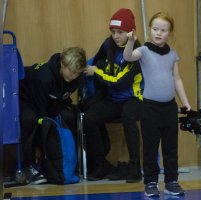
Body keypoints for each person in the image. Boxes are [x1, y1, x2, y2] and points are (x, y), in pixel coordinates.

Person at [124, 12, 191, 196]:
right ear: (149, 30)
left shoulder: (172, 55)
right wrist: (130, 41)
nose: (158, 33)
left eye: (163, 30)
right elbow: (128, 57)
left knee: (170, 146)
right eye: (155, 29)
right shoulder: (143, 51)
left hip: (169, 108)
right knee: (151, 146)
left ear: (170, 33)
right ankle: (151, 182)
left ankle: (171, 182)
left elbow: (177, 80)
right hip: (150, 108)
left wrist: (186, 104)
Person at [83, 8, 144, 183]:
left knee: (128, 116)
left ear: (131, 32)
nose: (115, 36)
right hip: (114, 98)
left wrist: (97, 73)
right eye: (113, 32)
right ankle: (101, 164)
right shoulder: (108, 44)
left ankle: (134, 168)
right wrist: (95, 70)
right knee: (89, 118)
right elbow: (95, 64)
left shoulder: (136, 52)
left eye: (120, 32)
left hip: (134, 98)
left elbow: (119, 82)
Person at [19, 47, 87, 184]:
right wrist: (38, 147)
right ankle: (28, 166)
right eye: (71, 72)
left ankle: (63, 164)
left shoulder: (74, 77)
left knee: (67, 115)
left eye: (76, 73)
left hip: (48, 99)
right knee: (31, 120)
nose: (73, 76)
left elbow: (61, 97)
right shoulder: (44, 78)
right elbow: (41, 114)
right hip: (24, 97)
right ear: (62, 64)